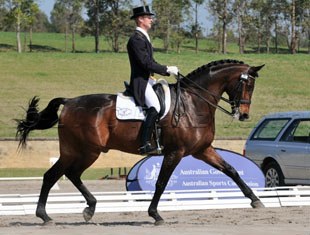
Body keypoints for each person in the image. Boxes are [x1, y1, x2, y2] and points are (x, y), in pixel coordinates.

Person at [127, 5, 179, 155]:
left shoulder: (144, 37)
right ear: (140, 19)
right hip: (140, 82)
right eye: (148, 17)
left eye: (151, 17)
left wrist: (165, 70)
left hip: (149, 79)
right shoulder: (136, 39)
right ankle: (144, 144)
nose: (151, 20)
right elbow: (145, 63)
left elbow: (150, 61)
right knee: (155, 107)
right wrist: (166, 69)